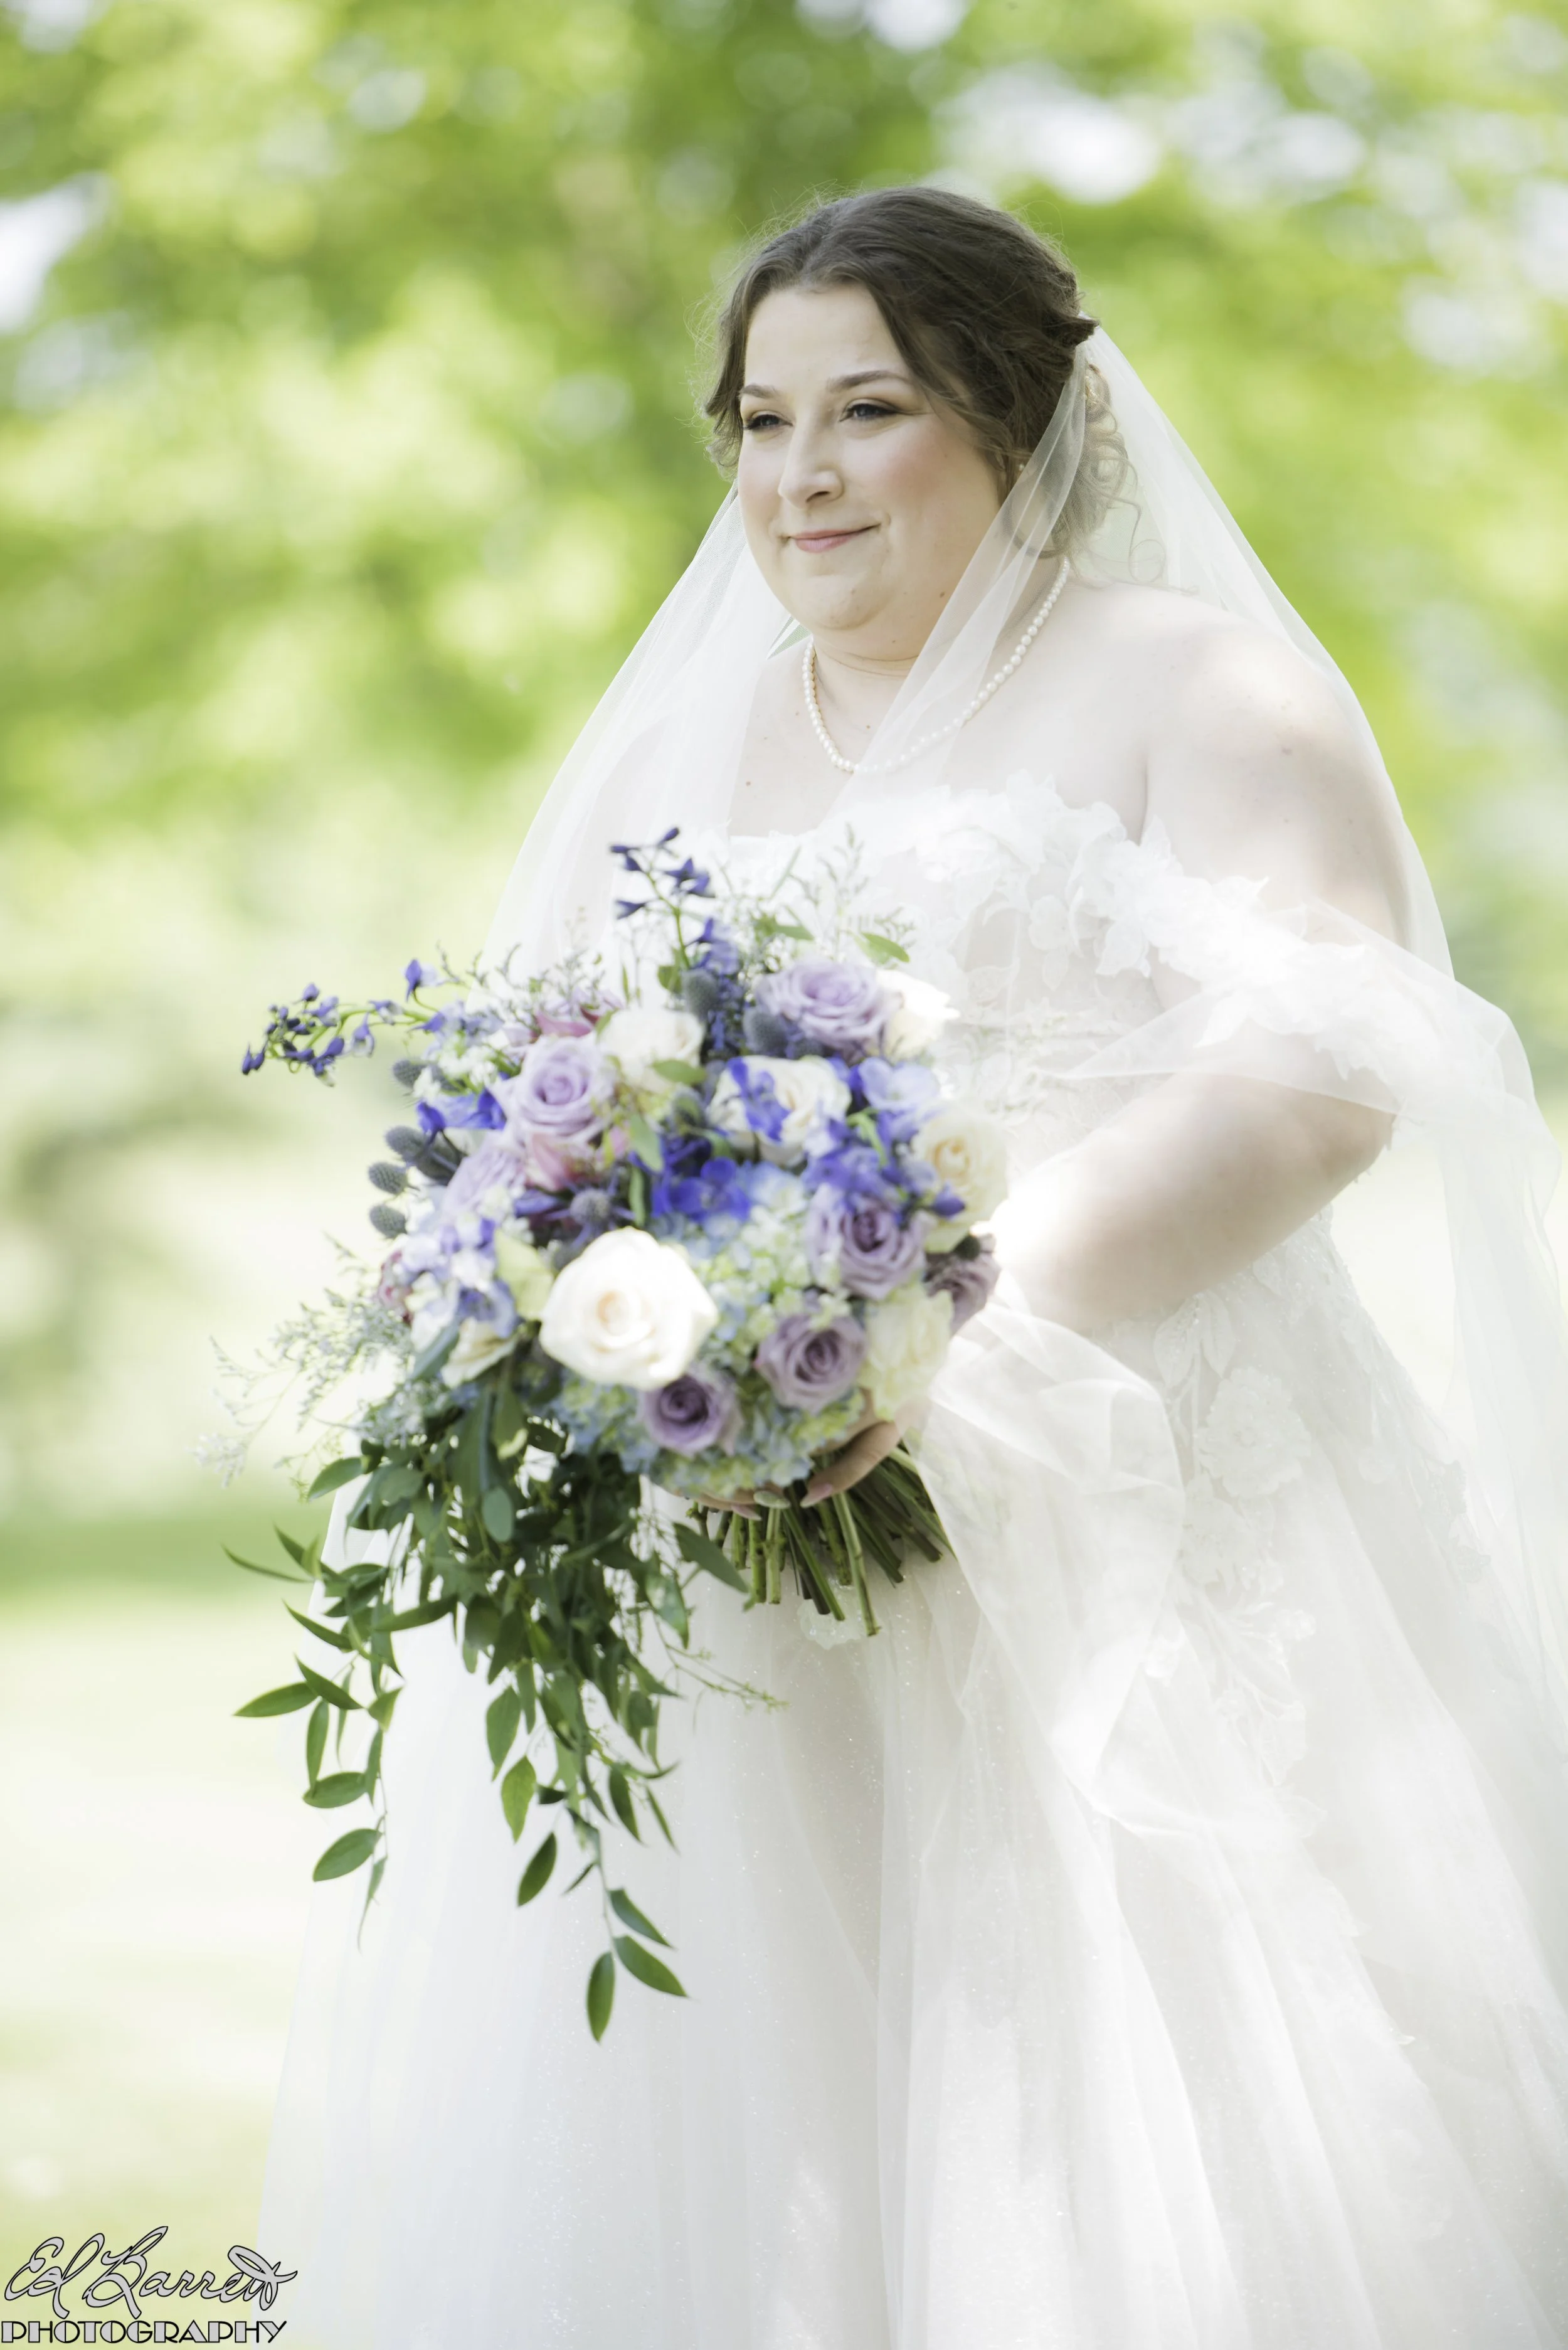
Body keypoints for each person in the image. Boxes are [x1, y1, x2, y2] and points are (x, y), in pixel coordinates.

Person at [260, 189, 1568, 2349]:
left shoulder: (1200, 688)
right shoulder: (674, 749)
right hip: (739, 1546)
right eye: (762, 420)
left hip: (1144, 1485)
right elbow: (562, 1108)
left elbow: (1315, 1079)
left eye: (866, 409)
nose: (801, 473)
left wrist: (931, 1332)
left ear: (1020, 420)